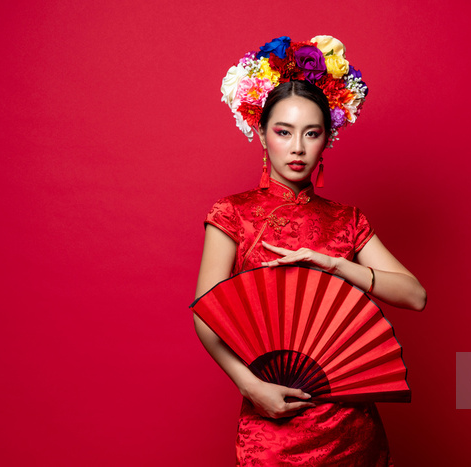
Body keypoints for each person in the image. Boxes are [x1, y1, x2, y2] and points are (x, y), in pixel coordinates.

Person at [194, 36, 426, 466]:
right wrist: (250, 387)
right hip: (272, 418)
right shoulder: (232, 213)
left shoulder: (347, 219)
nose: (297, 147)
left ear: (327, 139)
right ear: (262, 134)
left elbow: (415, 295)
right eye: (283, 132)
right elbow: (206, 313)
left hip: (352, 428)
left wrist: (336, 265)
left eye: (311, 133)